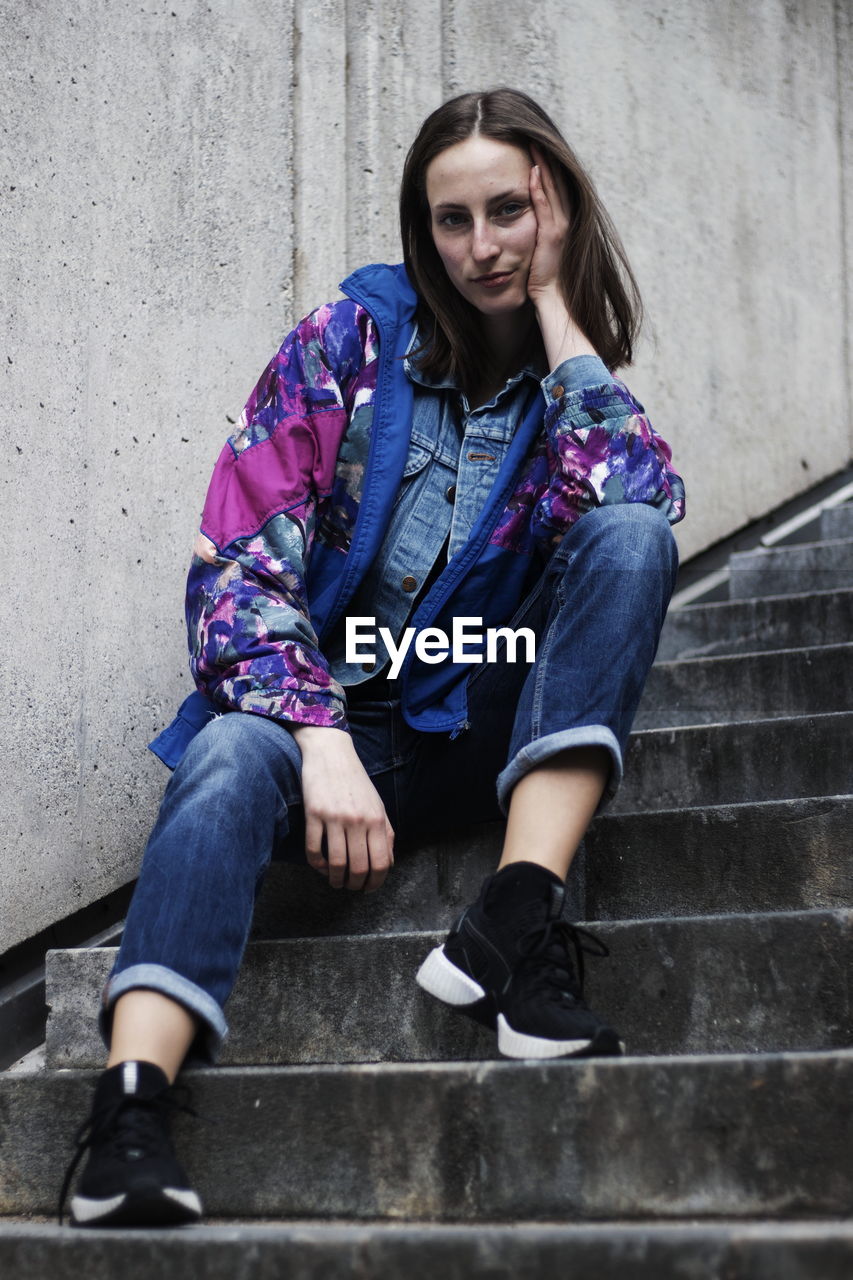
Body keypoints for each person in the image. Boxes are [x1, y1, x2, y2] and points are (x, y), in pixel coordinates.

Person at [60, 87, 685, 1228]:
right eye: (454, 219)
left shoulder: (565, 385)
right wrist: (318, 730)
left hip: (474, 726)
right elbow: (235, 564)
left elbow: (640, 508)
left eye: (510, 211)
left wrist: (555, 303)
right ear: (421, 227)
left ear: (556, 211)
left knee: (630, 535)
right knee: (226, 758)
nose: (483, 246)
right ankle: (128, 1112)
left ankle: (515, 911)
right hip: (325, 733)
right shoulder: (343, 345)